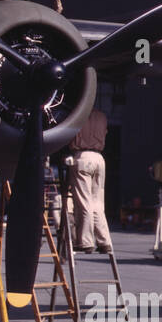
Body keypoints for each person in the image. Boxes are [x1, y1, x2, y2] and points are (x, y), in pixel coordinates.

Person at [69, 107, 112, 254]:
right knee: (97, 203)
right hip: (99, 159)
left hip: (82, 156)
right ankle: (104, 240)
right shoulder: (102, 116)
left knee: (83, 202)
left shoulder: (78, 114)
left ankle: (86, 241)